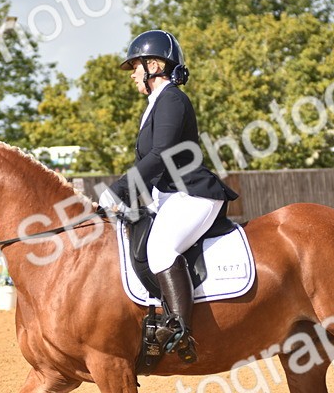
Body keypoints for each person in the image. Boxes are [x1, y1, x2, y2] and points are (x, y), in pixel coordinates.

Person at [98, 30, 238, 363]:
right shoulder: (154, 104)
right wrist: (126, 202)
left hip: (193, 194)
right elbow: (150, 166)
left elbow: (160, 155)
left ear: (155, 65)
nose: (132, 74)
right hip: (169, 197)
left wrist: (118, 190)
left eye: (136, 66)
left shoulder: (172, 99)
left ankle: (179, 329)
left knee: (160, 249)